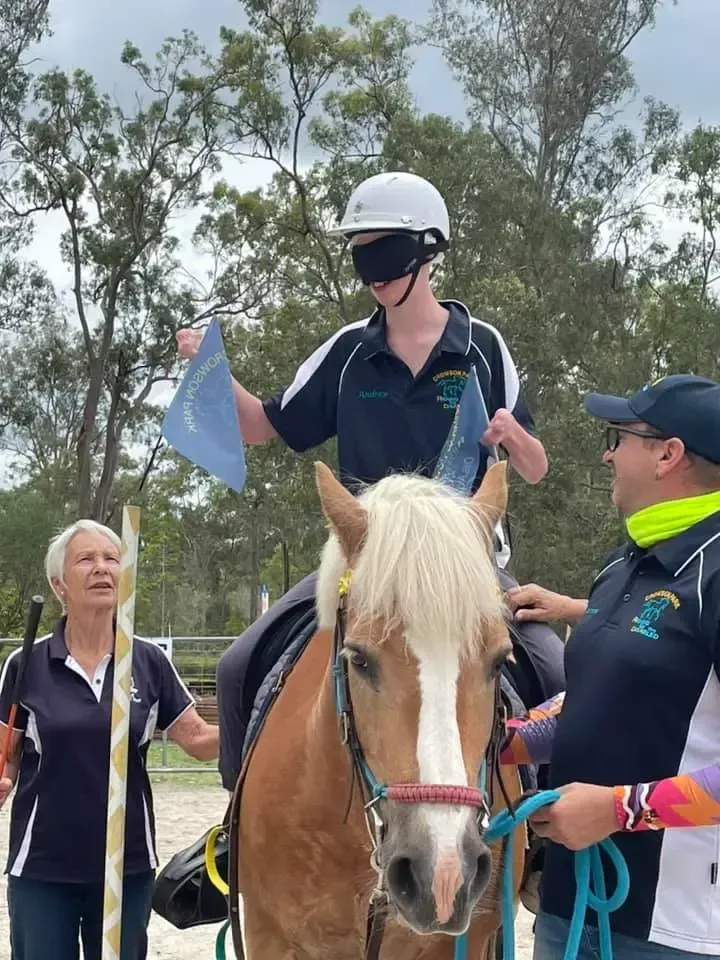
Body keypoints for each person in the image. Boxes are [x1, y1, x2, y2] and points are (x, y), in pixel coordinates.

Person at [176, 170, 564, 791]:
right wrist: (211, 372)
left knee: (553, 668)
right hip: (364, 563)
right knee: (235, 666)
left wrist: (512, 437)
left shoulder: (484, 346)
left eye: (386, 252)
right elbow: (262, 426)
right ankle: (238, 823)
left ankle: (545, 836)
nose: (375, 272)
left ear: (427, 250)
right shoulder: (346, 351)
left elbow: (537, 467)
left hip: (464, 566)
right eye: (362, 256)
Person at [501, 374, 720, 959]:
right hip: (571, 910)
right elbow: (594, 699)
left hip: (675, 929)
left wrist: (618, 809)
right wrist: (504, 741)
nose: (607, 452)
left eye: (618, 437)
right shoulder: (622, 565)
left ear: (667, 455)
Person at [0, 519, 220, 960]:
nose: (101, 568)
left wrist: (260, 721)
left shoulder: (148, 661)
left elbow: (196, 740)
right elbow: (5, 757)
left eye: (111, 559)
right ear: (59, 584)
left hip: (127, 865)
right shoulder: (27, 663)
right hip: (43, 866)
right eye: (86, 559)